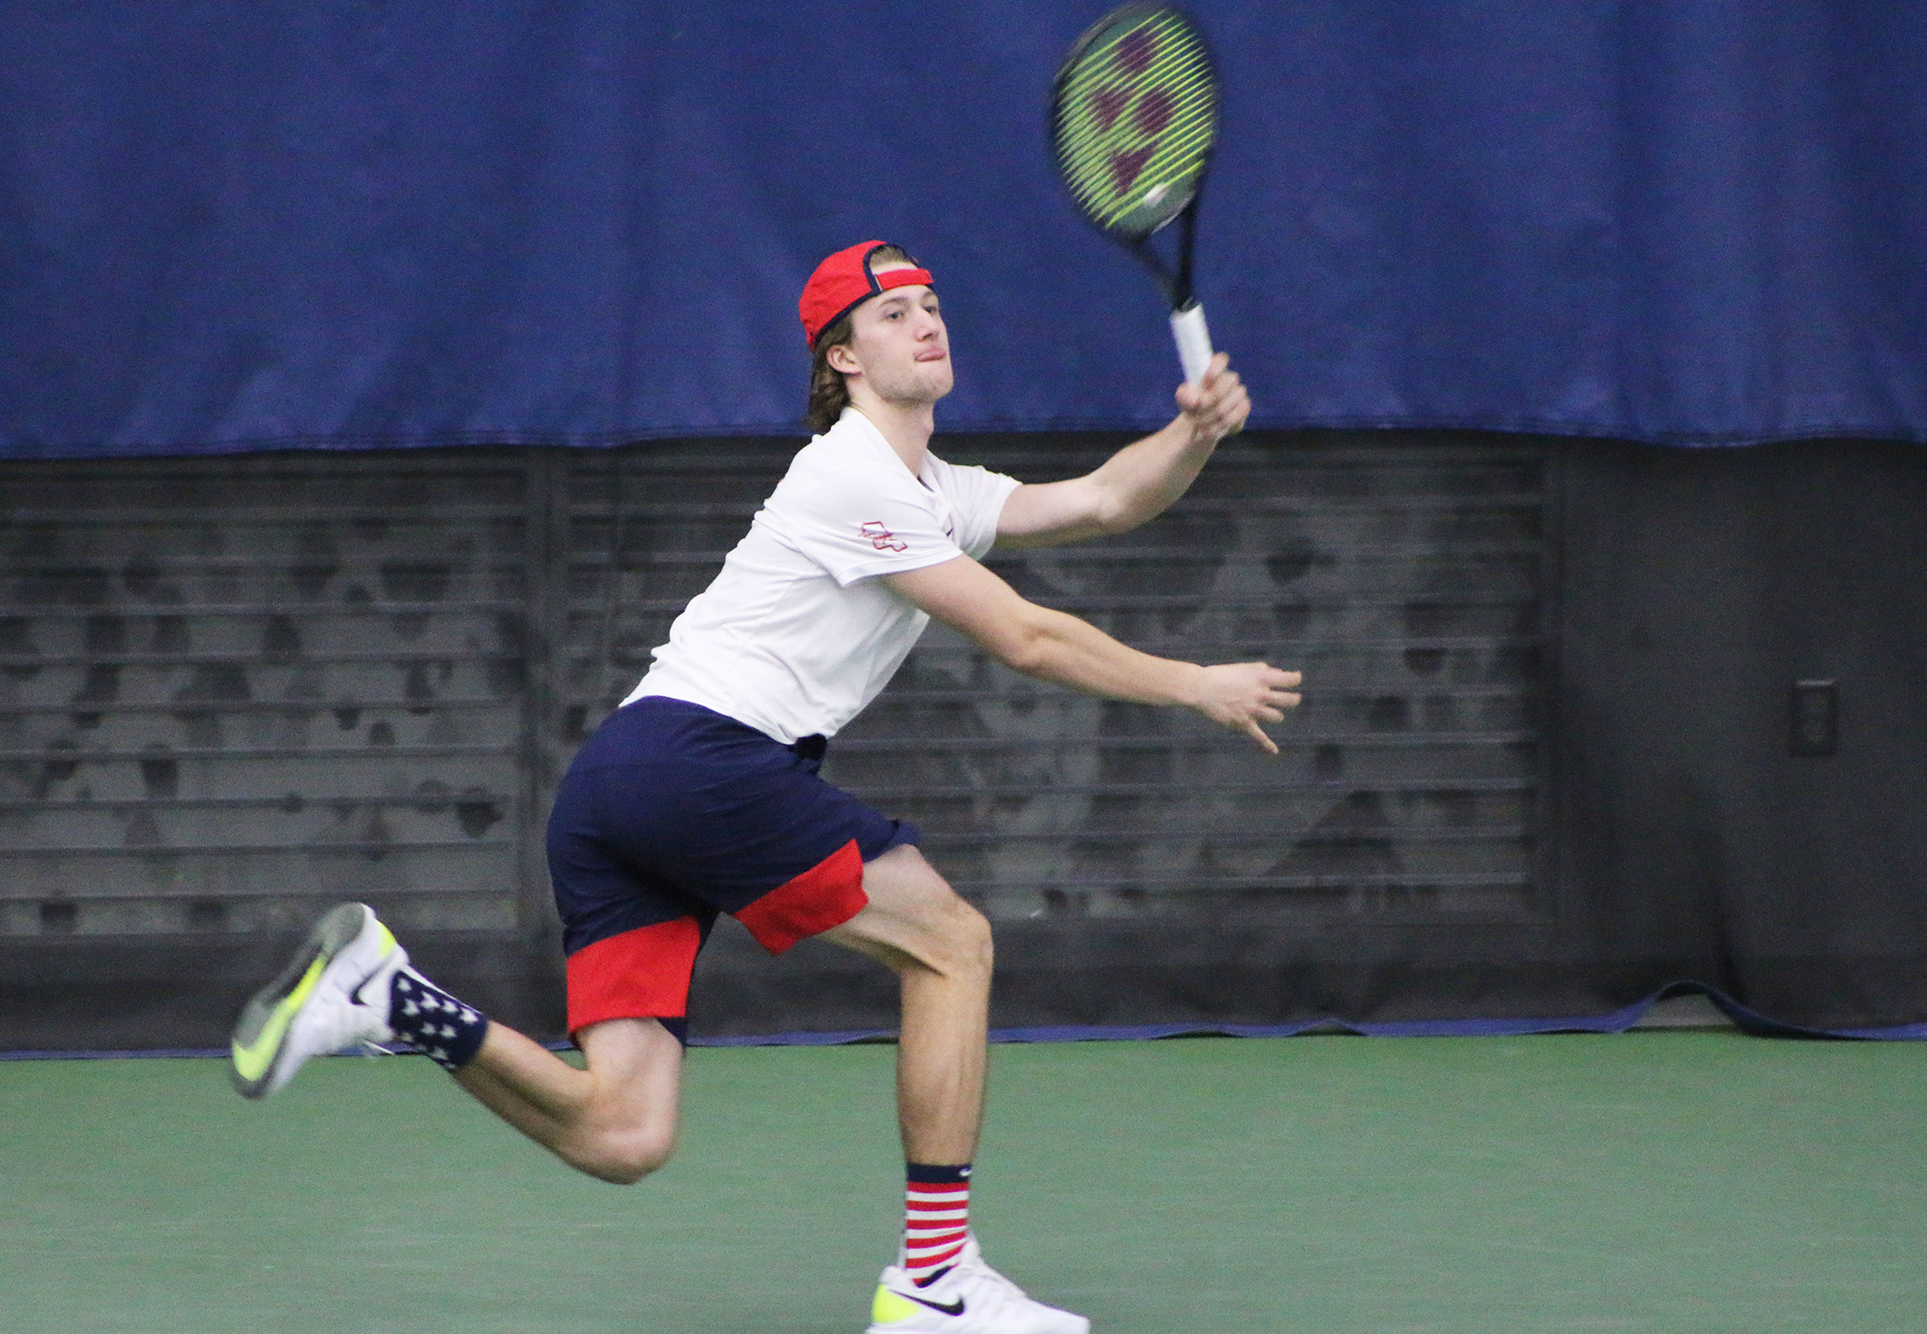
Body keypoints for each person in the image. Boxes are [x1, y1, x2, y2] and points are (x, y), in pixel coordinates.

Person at [229, 240, 1302, 1333]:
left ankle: (389, 996)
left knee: (620, 1133)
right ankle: (932, 1282)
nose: (925, 321)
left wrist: (1191, 434)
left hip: (617, 791)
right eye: (891, 314)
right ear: (840, 355)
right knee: (953, 940)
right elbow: (1021, 635)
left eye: (930, 303)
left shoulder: (934, 489)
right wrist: (1191, 683)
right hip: (699, 758)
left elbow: (1104, 501)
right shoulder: (848, 472)